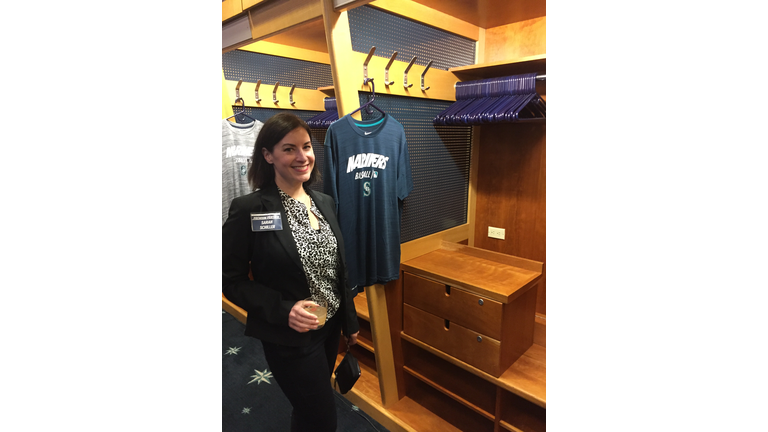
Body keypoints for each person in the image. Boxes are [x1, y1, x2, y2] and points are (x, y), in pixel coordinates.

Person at [222, 112, 360, 432]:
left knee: (309, 409)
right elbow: (231, 280)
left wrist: (349, 322)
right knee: (323, 418)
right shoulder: (249, 209)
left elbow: (339, 271)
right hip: (289, 337)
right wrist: (284, 310)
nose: (302, 157)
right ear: (268, 155)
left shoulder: (324, 201)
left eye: (307, 146)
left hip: (329, 327)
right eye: (289, 149)